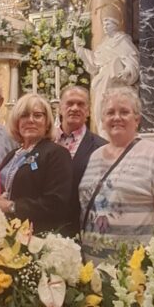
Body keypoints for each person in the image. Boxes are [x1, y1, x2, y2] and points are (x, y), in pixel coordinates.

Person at [80, 86, 154, 263]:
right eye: (110, 112)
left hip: (136, 270)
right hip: (92, 269)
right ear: (102, 120)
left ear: (137, 119)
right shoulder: (94, 156)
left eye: (124, 112)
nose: (116, 117)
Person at [0, 94, 72, 234]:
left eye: (37, 115)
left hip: (36, 237)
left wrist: (12, 206)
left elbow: (57, 203)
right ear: (17, 121)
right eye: (24, 115)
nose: (30, 120)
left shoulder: (56, 154)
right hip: (7, 233)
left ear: (47, 122)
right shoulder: (12, 154)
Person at [74, 13, 140, 137]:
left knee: (116, 110)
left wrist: (127, 70)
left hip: (116, 82)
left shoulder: (122, 40)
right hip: (102, 79)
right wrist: (80, 50)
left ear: (115, 25)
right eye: (104, 25)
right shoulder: (104, 44)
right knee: (100, 108)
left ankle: (113, 136)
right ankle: (103, 134)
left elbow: (132, 59)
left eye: (108, 24)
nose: (105, 27)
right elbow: (95, 63)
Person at [57, 84, 106, 235]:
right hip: (46, 225)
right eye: (70, 103)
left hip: (83, 227)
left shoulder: (101, 147)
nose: (75, 108)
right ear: (60, 108)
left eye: (81, 104)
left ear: (88, 111)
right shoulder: (45, 141)